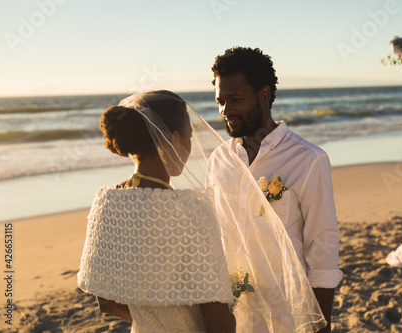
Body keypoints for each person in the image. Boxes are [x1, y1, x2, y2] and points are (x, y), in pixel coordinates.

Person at [208, 47, 343, 332]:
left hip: (288, 311)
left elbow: (323, 243)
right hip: (234, 311)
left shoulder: (308, 159)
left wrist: (322, 323)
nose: (225, 110)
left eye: (234, 99)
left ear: (264, 95)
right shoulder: (219, 159)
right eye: (220, 101)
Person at [77, 90, 235, 332]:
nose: (191, 146)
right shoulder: (190, 211)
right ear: (173, 138)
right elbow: (217, 316)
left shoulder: (106, 203)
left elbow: (106, 302)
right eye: (189, 136)